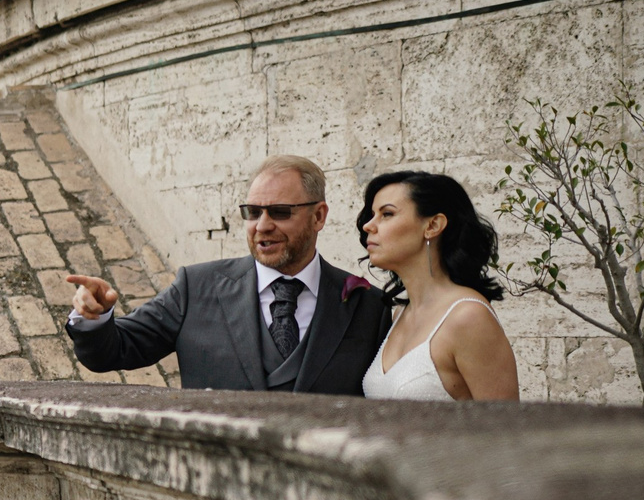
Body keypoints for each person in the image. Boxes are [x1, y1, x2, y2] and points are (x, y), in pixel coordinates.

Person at [65, 154, 387, 393]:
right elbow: (113, 350)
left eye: (279, 212)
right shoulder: (196, 287)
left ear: (318, 216)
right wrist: (94, 317)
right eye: (252, 212)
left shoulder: (367, 305)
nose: (262, 226)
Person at [356, 170, 519, 401]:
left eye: (387, 214)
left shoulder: (469, 317)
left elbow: (507, 427)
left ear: (433, 225)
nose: (368, 226)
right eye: (372, 215)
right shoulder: (401, 314)